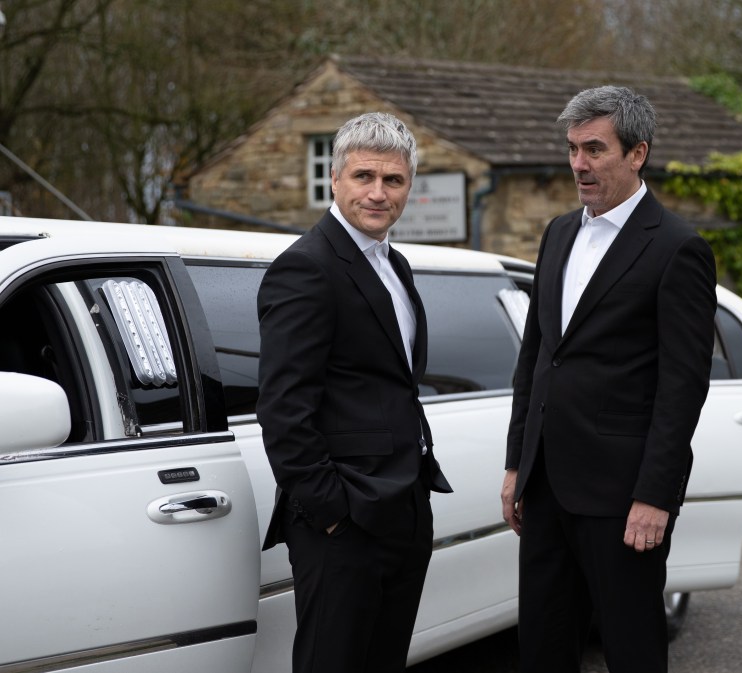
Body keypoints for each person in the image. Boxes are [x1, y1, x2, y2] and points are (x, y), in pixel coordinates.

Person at [501, 86, 717, 673]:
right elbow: (538, 356)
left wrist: (654, 496)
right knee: (543, 646)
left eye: (595, 149)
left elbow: (683, 387)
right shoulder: (558, 233)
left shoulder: (678, 248)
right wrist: (518, 462)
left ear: (637, 153)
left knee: (631, 648)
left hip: (622, 496)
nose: (579, 164)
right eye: (572, 149)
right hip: (545, 486)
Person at [257, 111, 451, 673]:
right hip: (344, 521)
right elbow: (284, 407)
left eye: (393, 181)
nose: (377, 192)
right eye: (363, 177)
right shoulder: (306, 268)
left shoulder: (397, 265)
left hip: (403, 508)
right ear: (335, 181)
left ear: (409, 187)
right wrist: (331, 513)